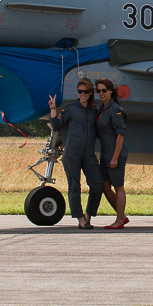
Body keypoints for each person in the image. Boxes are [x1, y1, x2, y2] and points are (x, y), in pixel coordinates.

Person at [47, 78, 104, 229]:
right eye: (80, 92)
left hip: (89, 154)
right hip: (72, 154)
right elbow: (57, 126)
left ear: (91, 93)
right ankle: (80, 219)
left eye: (86, 92)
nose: (83, 94)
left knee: (97, 184)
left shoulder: (94, 111)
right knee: (74, 187)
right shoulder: (70, 108)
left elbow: (99, 131)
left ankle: (88, 216)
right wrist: (53, 109)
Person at [94, 78, 130, 230]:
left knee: (118, 186)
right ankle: (121, 216)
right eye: (99, 91)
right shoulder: (102, 109)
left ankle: (119, 220)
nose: (101, 93)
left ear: (110, 91)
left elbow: (120, 135)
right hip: (105, 153)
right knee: (105, 186)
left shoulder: (115, 110)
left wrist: (115, 157)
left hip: (115, 153)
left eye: (104, 90)